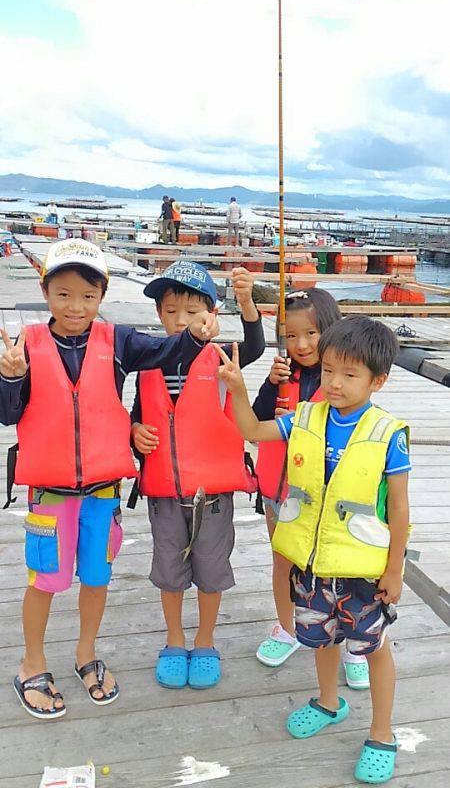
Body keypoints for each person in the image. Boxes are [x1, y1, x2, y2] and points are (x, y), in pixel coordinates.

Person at [0, 239, 219, 720]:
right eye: (62, 294)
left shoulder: (117, 341)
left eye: (87, 296)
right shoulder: (26, 345)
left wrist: (196, 336)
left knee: (96, 576)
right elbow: (8, 414)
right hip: (50, 496)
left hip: (102, 493)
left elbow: (166, 350)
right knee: (45, 580)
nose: (75, 307)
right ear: (45, 292)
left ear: (102, 296)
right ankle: (31, 663)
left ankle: (86, 653)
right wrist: (10, 377)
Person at [215, 315, 410, 785]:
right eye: (328, 371)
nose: (334, 383)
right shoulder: (304, 417)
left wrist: (394, 570)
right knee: (322, 639)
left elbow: (400, 509)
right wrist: (237, 389)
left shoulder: (388, 433)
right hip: (312, 565)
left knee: (374, 648)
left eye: (349, 374)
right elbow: (252, 430)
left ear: (377, 381)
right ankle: (328, 701)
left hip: (363, 572)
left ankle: (381, 732)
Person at [130, 260, 265, 690]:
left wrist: (246, 301)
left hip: (214, 496)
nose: (180, 320)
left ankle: (205, 641)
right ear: (158, 314)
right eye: (171, 311)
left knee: (211, 570)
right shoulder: (149, 360)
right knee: (169, 572)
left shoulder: (223, 356)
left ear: (211, 314)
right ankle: (174, 639)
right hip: (165, 495)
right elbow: (137, 414)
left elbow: (256, 344)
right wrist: (135, 432)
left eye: (192, 311)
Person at [252, 289, 370, 690]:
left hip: (329, 500)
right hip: (281, 493)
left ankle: (354, 646)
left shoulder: (343, 382)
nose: (300, 345)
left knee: (341, 570)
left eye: (311, 334)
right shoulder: (282, 375)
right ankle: (287, 628)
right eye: (290, 335)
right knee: (283, 563)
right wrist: (271, 385)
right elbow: (256, 422)